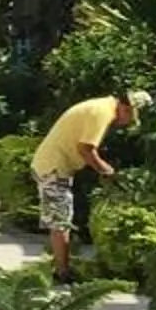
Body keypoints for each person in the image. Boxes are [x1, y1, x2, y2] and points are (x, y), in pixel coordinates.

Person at [30, 89, 144, 283]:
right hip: (53, 167)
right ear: (126, 109)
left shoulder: (101, 106)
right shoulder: (102, 113)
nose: (125, 125)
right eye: (130, 119)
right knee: (61, 221)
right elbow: (85, 149)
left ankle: (61, 268)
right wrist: (106, 170)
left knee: (61, 219)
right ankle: (62, 274)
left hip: (54, 165)